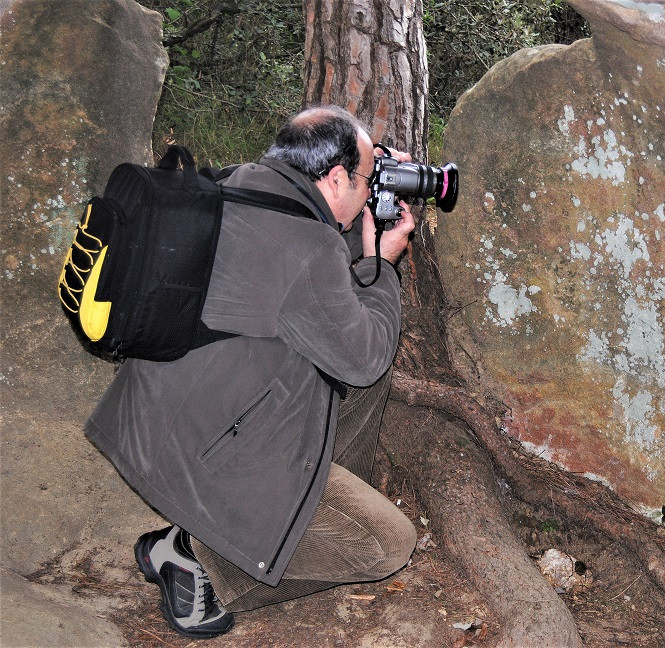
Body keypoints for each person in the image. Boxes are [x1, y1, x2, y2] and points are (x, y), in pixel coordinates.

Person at [85, 105, 419, 639]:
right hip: (200, 455)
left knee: (354, 379)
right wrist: (383, 265)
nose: (367, 186)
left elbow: (305, 281)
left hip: (155, 423)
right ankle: (196, 558)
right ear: (334, 179)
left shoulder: (242, 183)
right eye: (363, 177)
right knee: (386, 544)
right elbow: (364, 355)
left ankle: (283, 509)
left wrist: (364, 223)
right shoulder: (306, 249)